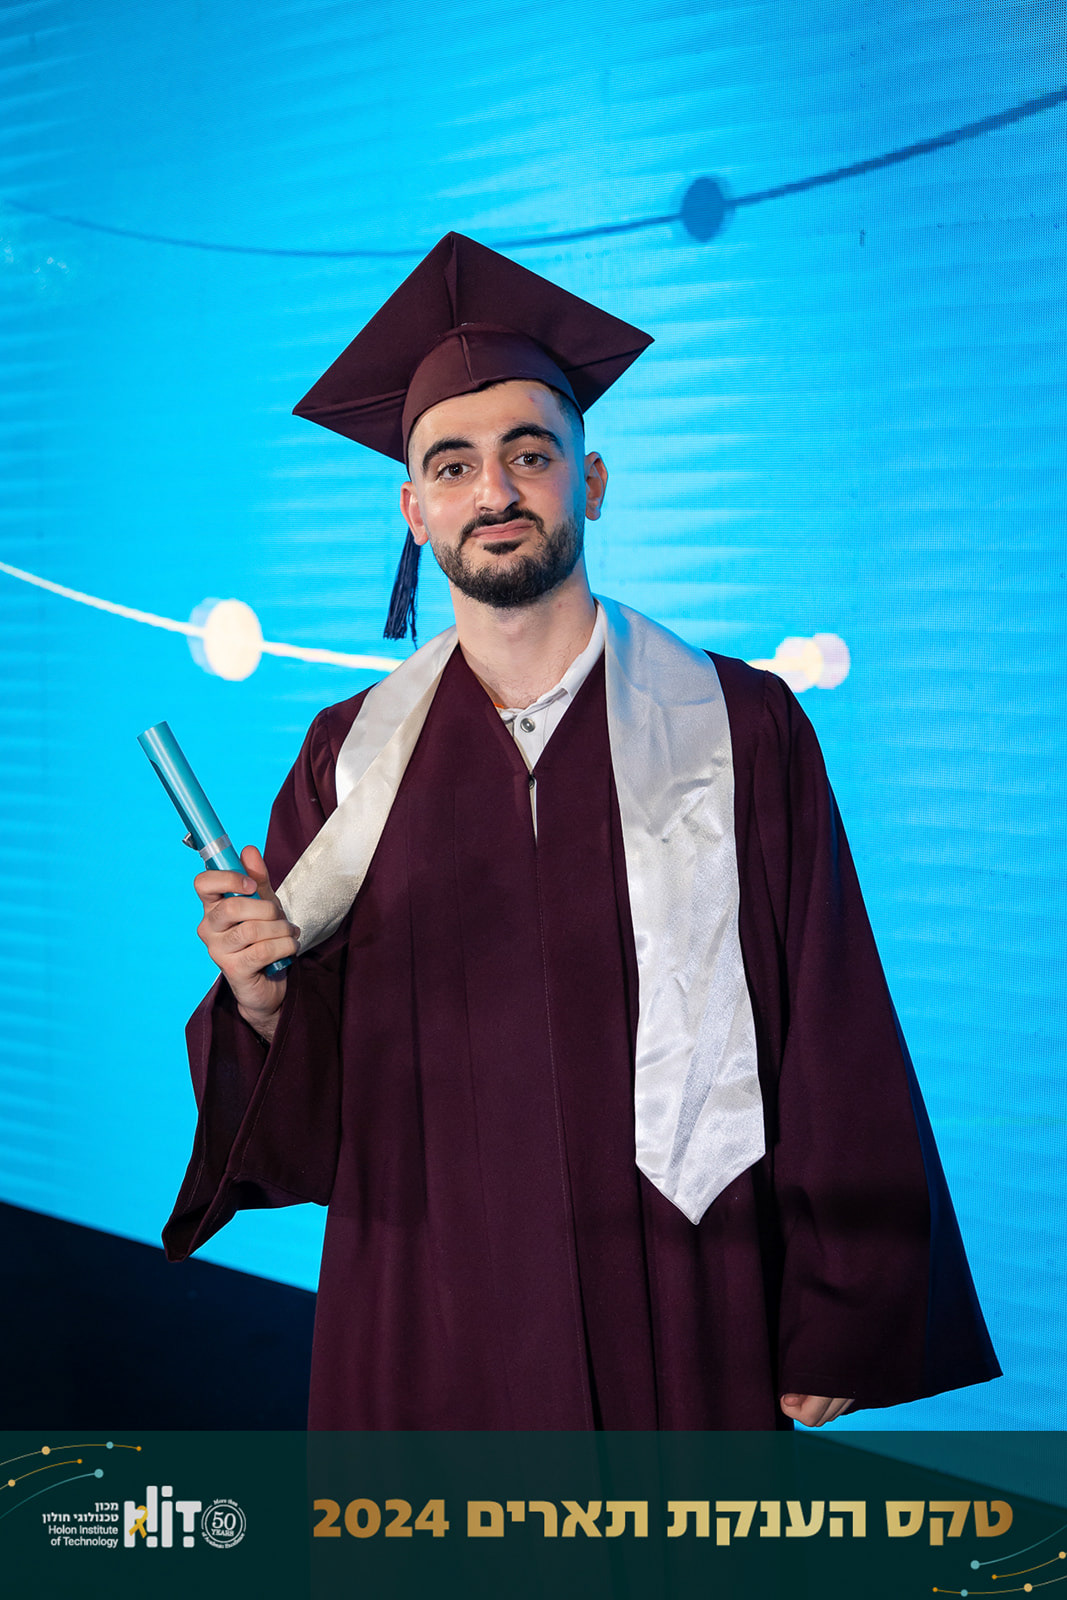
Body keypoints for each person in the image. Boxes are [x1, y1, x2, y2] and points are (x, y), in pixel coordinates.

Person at [163, 234, 999, 1430]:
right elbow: (314, 1097)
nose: (493, 492)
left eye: (529, 453)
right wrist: (258, 1002)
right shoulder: (347, 757)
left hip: (677, 1294)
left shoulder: (737, 725)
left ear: (589, 481)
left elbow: (828, 1014)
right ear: (413, 510)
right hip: (425, 1313)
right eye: (452, 466)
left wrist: (839, 1301)